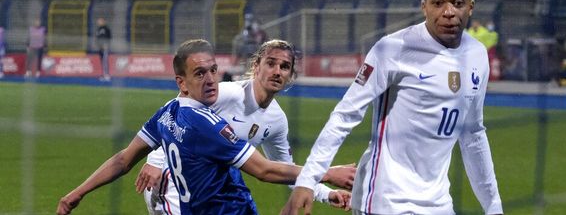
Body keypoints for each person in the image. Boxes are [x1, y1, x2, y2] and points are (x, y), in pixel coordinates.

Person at [281, 0, 503, 215]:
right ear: (424, 7)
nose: (448, 12)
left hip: (438, 203)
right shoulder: (393, 49)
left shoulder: (477, 55)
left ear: (470, 8)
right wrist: (307, 180)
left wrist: (493, 206)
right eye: (438, 3)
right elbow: (345, 114)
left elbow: (472, 133)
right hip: (386, 199)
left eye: (457, 3)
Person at [57, 39, 354, 215]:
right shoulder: (221, 94)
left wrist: (324, 193)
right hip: (175, 189)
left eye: (284, 67)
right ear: (256, 65)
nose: (277, 71)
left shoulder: (276, 121)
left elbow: (283, 169)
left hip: (223, 191)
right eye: (271, 63)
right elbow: (180, 112)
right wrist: (155, 161)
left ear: (290, 76)